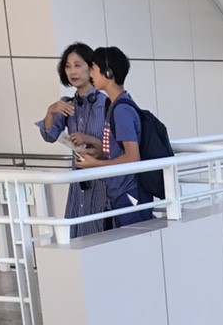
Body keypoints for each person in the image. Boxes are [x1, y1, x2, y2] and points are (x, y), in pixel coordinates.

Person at [35, 42, 109, 238]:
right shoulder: (67, 104)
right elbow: (49, 136)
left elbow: (118, 146)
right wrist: (51, 111)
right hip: (79, 181)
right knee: (77, 236)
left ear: (91, 68)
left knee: (100, 233)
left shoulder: (106, 103)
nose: (72, 71)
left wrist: (89, 139)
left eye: (78, 65)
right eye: (68, 66)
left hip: (103, 180)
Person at [74, 46, 147, 229]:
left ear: (107, 73)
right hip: (121, 192)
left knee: (135, 241)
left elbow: (133, 157)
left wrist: (95, 165)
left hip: (128, 193)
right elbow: (119, 149)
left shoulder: (121, 110)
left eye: (93, 68)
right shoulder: (115, 105)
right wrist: (100, 152)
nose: (91, 74)